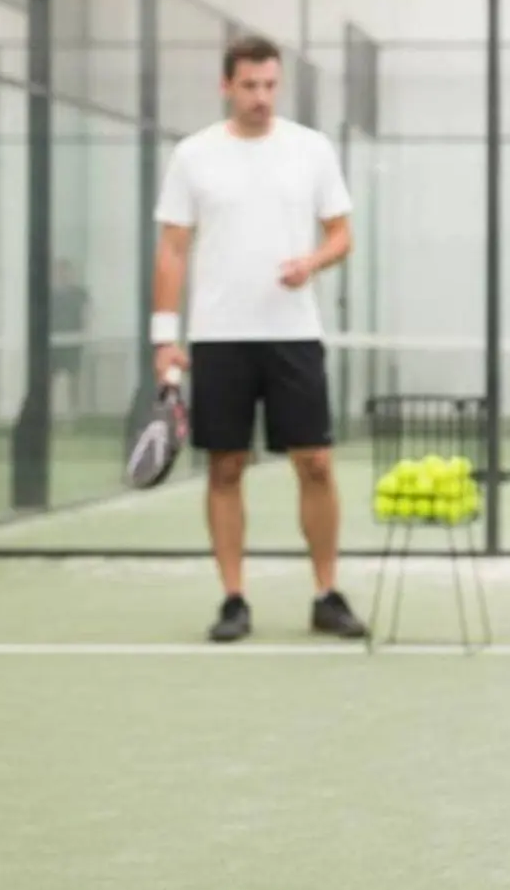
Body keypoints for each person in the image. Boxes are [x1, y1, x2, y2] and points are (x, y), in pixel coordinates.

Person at [151, 33, 367, 645]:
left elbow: (342, 235)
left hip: (293, 334)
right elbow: (171, 249)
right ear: (227, 85)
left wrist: (312, 262)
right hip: (218, 336)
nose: (261, 97)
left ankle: (326, 595)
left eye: (270, 84)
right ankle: (233, 599)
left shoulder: (311, 150)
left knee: (316, 464)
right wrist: (163, 337)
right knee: (225, 466)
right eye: (249, 85)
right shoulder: (194, 156)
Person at [50, 258, 89, 419]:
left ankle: (74, 413)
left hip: (73, 341)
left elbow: (88, 312)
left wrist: (86, 332)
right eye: (59, 271)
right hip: (54, 342)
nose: (63, 275)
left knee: (74, 379)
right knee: (51, 378)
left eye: (65, 271)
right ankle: (49, 413)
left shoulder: (79, 293)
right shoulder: (51, 294)